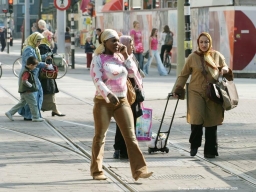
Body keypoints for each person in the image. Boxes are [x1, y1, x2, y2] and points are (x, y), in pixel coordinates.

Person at [90, 29, 153, 181]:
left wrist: (126, 55)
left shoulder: (120, 57)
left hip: (122, 101)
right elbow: (96, 79)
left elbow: (133, 72)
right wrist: (108, 94)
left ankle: (139, 170)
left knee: (131, 136)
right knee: (100, 136)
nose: (117, 43)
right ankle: (97, 171)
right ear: (104, 42)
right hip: (103, 102)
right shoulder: (98, 59)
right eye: (113, 40)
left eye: (118, 40)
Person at [172, 32, 234, 158]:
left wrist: (225, 70)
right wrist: (177, 89)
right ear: (198, 43)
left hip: (213, 92)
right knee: (196, 118)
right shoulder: (192, 57)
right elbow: (183, 75)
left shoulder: (216, 55)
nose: (204, 44)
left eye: (206, 42)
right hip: (195, 92)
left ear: (210, 43)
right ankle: (194, 145)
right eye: (201, 42)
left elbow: (226, 68)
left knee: (212, 121)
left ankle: (210, 150)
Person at [113, 35, 144, 159]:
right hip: (124, 94)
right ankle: (120, 149)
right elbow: (130, 72)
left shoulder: (132, 57)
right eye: (130, 45)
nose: (132, 47)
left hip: (134, 94)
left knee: (132, 121)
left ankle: (126, 148)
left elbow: (137, 73)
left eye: (132, 45)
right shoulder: (119, 58)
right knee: (123, 122)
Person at [5, 57, 44, 122]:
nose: (34, 68)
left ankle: (10, 112)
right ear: (31, 65)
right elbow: (24, 81)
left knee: (22, 103)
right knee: (33, 104)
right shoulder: (26, 72)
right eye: (34, 66)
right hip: (28, 91)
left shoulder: (26, 70)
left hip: (24, 91)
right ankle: (35, 117)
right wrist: (31, 86)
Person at [39, 30, 65, 117]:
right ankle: (54, 109)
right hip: (46, 73)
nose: (52, 39)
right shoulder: (44, 47)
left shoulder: (43, 46)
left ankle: (54, 109)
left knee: (49, 91)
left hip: (46, 73)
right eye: (51, 38)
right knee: (49, 91)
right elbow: (44, 59)